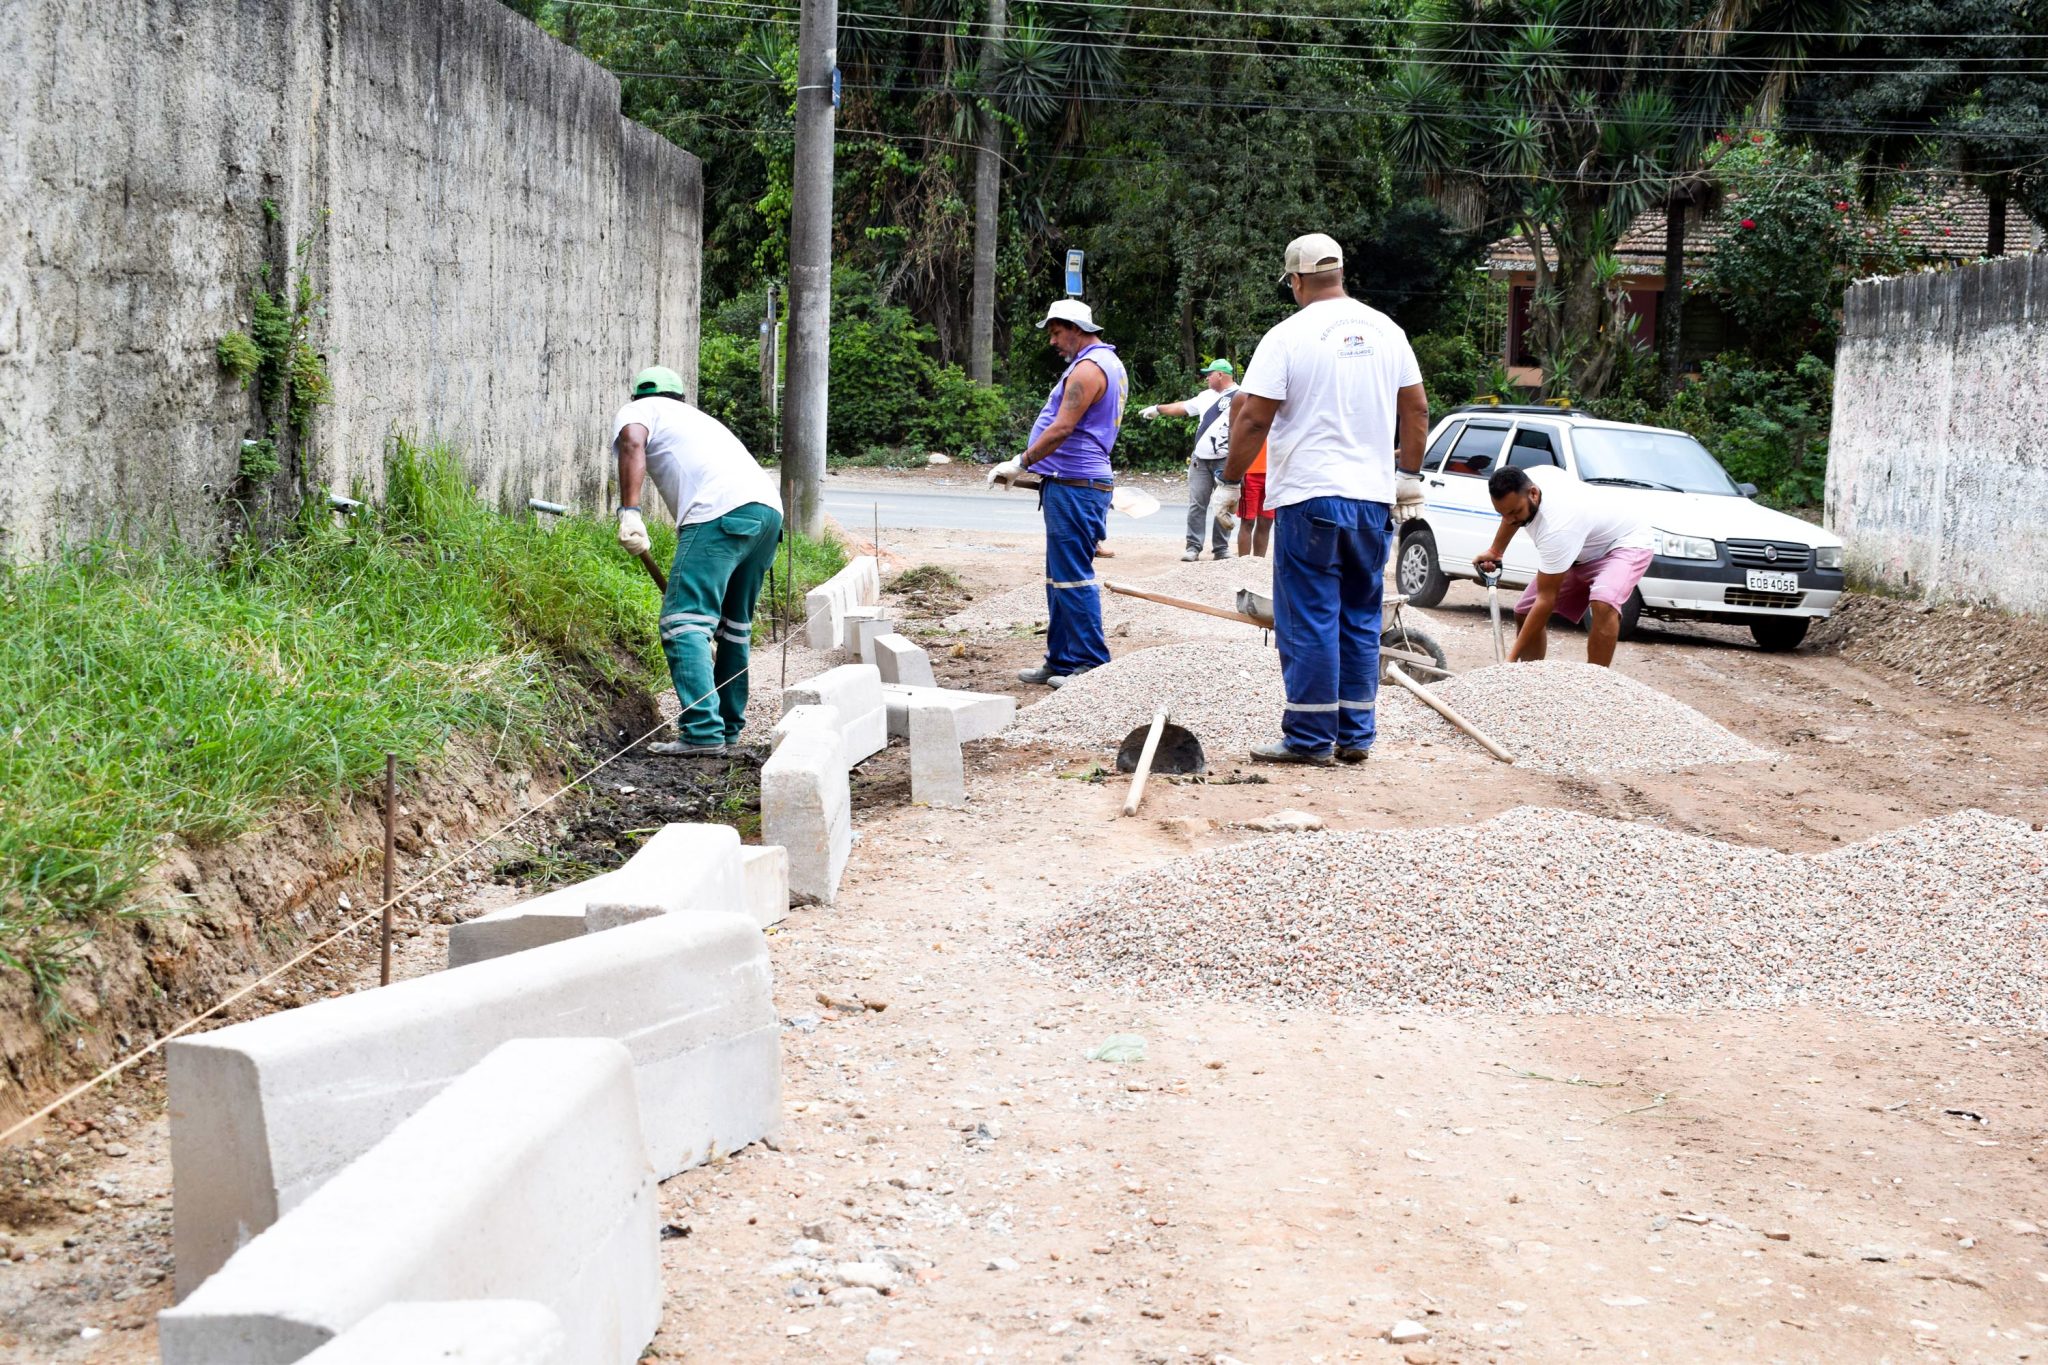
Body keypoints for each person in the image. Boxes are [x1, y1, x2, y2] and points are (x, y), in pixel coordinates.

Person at [1218, 233, 1429, 766]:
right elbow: (1417, 409)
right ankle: (1355, 735)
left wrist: (1230, 481)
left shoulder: (1287, 336)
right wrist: (1408, 476)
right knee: (1360, 617)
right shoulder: (1388, 331)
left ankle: (1310, 739)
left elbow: (1254, 418)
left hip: (1310, 497)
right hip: (1371, 501)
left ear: (1295, 280)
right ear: (1340, 274)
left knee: (1309, 618)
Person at [613, 365, 785, 756]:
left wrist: (630, 511)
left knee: (683, 621)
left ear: (638, 396)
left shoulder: (639, 410)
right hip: (767, 513)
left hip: (718, 512)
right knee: (733, 627)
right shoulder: (699, 420)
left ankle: (702, 732)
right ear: (681, 397)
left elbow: (632, 442)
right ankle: (727, 728)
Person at [988, 299, 1129, 688]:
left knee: (1073, 578)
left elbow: (1063, 427)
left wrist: (1021, 461)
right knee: (1059, 578)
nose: (1052, 341)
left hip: (1076, 484)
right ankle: (1062, 660)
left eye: (1056, 332)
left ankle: (1090, 663)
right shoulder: (1104, 363)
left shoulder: (1088, 369)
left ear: (1075, 328)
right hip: (1070, 482)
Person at [1472, 465, 1653, 667]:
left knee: (1603, 603)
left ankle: (1595, 680)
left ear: (1533, 494)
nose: (1509, 520)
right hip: (1581, 547)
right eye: (1502, 514)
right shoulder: (1526, 479)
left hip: (1624, 543)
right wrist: (1496, 551)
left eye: (1515, 512)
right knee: (1525, 612)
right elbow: (1510, 513)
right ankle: (1529, 678)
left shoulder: (1557, 528)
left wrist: (1510, 660)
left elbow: (1546, 599)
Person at [1139, 359, 1239, 562]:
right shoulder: (1205, 396)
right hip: (1200, 460)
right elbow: (1183, 407)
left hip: (1226, 459)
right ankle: (1193, 546)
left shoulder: (1240, 395)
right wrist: (1158, 409)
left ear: (1220, 374)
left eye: (1209, 374)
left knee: (1223, 504)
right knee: (1197, 504)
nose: (1206, 378)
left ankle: (1221, 549)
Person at [1235, 437, 1273, 558]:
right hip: (1250, 472)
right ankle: (1244, 563)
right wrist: (1238, 469)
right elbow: (1237, 436)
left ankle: (1258, 563)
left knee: (1266, 522)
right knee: (1248, 521)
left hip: (1273, 473)